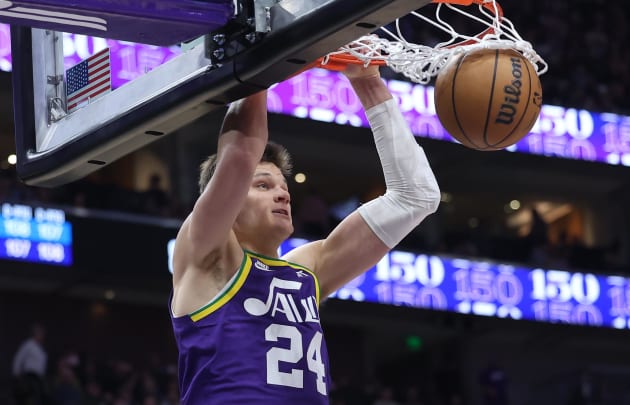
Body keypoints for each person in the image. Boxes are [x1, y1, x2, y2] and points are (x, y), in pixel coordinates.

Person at [169, 62, 440, 404]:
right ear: (228, 197)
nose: (283, 194)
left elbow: (416, 196)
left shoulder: (306, 271)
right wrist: (265, 55)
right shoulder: (206, 253)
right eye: (263, 185)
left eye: (283, 187)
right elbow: (239, 155)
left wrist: (368, 82)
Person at [12, 323, 48, 405]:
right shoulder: (28, 344)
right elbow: (18, 358)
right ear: (35, 333)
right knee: (31, 398)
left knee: (39, 398)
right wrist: (16, 373)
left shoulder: (40, 348)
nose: (42, 335)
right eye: (40, 333)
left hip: (39, 377)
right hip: (30, 376)